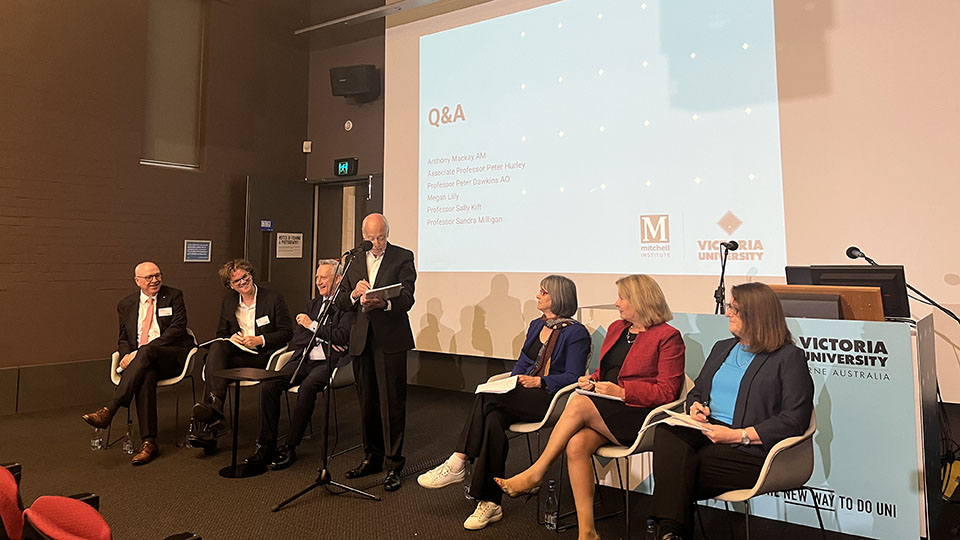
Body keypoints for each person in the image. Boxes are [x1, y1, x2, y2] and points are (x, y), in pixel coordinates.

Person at [495, 274, 686, 540]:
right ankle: (588, 532)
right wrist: (592, 380)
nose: (616, 303)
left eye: (622, 298)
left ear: (640, 301)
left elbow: (667, 392)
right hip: (607, 409)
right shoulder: (619, 328)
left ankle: (537, 472)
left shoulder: (668, 337)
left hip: (640, 415)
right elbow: (606, 370)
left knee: (579, 402)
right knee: (576, 444)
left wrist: (622, 391)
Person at [417, 275, 591, 530]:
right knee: (493, 420)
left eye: (543, 292)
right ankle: (490, 502)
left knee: (485, 398)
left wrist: (541, 382)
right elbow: (522, 362)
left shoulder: (576, 333)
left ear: (557, 297)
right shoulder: (536, 325)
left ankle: (457, 461)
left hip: (551, 398)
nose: (537, 296)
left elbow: (574, 376)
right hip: (521, 394)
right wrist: (510, 383)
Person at [644, 282, 814, 540]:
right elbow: (698, 390)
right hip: (708, 431)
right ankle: (671, 533)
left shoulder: (789, 358)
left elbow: (794, 420)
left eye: (734, 308)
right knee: (666, 432)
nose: (727, 313)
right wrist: (695, 407)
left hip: (751, 449)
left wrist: (738, 435)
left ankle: (669, 531)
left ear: (756, 315)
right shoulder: (722, 347)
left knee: (681, 471)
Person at [243, 259, 353, 470]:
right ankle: (266, 445)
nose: (319, 282)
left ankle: (290, 446)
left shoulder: (346, 305)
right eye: (317, 278)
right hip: (305, 358)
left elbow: (342, 336)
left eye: (324, 278)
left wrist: (313, 326)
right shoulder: (313, 303)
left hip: (330, 363)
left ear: (338, 280)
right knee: (270, 384)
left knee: (307, 388)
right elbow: (299, 337)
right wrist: (324, 336)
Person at [82, 262, 194, 465]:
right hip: (144, 363)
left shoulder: (174, 296)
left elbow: (177, 330)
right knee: (146, 375)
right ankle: (149, 442)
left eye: (157, 275)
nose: (155, 280)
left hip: (171, 356)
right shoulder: (126, 305)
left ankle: (110, 409)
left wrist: (140, 353)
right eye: (149, 277)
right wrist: (128, 355)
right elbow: (124, 338)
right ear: (137, 281)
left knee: (147, 351)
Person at [335, 213, 416, 492]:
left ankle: (394, 465)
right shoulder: (354, 261)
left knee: (392, 402)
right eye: (371, 238)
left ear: (387, 233)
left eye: (381, 237)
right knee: (367, 400)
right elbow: (342, 301)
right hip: (361, 339)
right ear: (363, 236)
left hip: (390, 338)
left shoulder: (402, 257)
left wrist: (384, 303)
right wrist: (355, 294)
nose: (377, 242)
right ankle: (372, 456)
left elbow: (407, 298)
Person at [189, 258, 293, 451]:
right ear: (230, 285)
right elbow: (221, 334)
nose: (243, 282)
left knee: (215, 361)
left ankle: (211, 421)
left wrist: (259, 339)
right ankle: (214, 418)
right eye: (237, 282)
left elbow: (287, 332)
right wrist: (233, 337)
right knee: (219, 347)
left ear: (251, 275)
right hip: (238, 353)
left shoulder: (272, 298)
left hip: (262, 356)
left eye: (245, 277)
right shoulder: (229, 302)